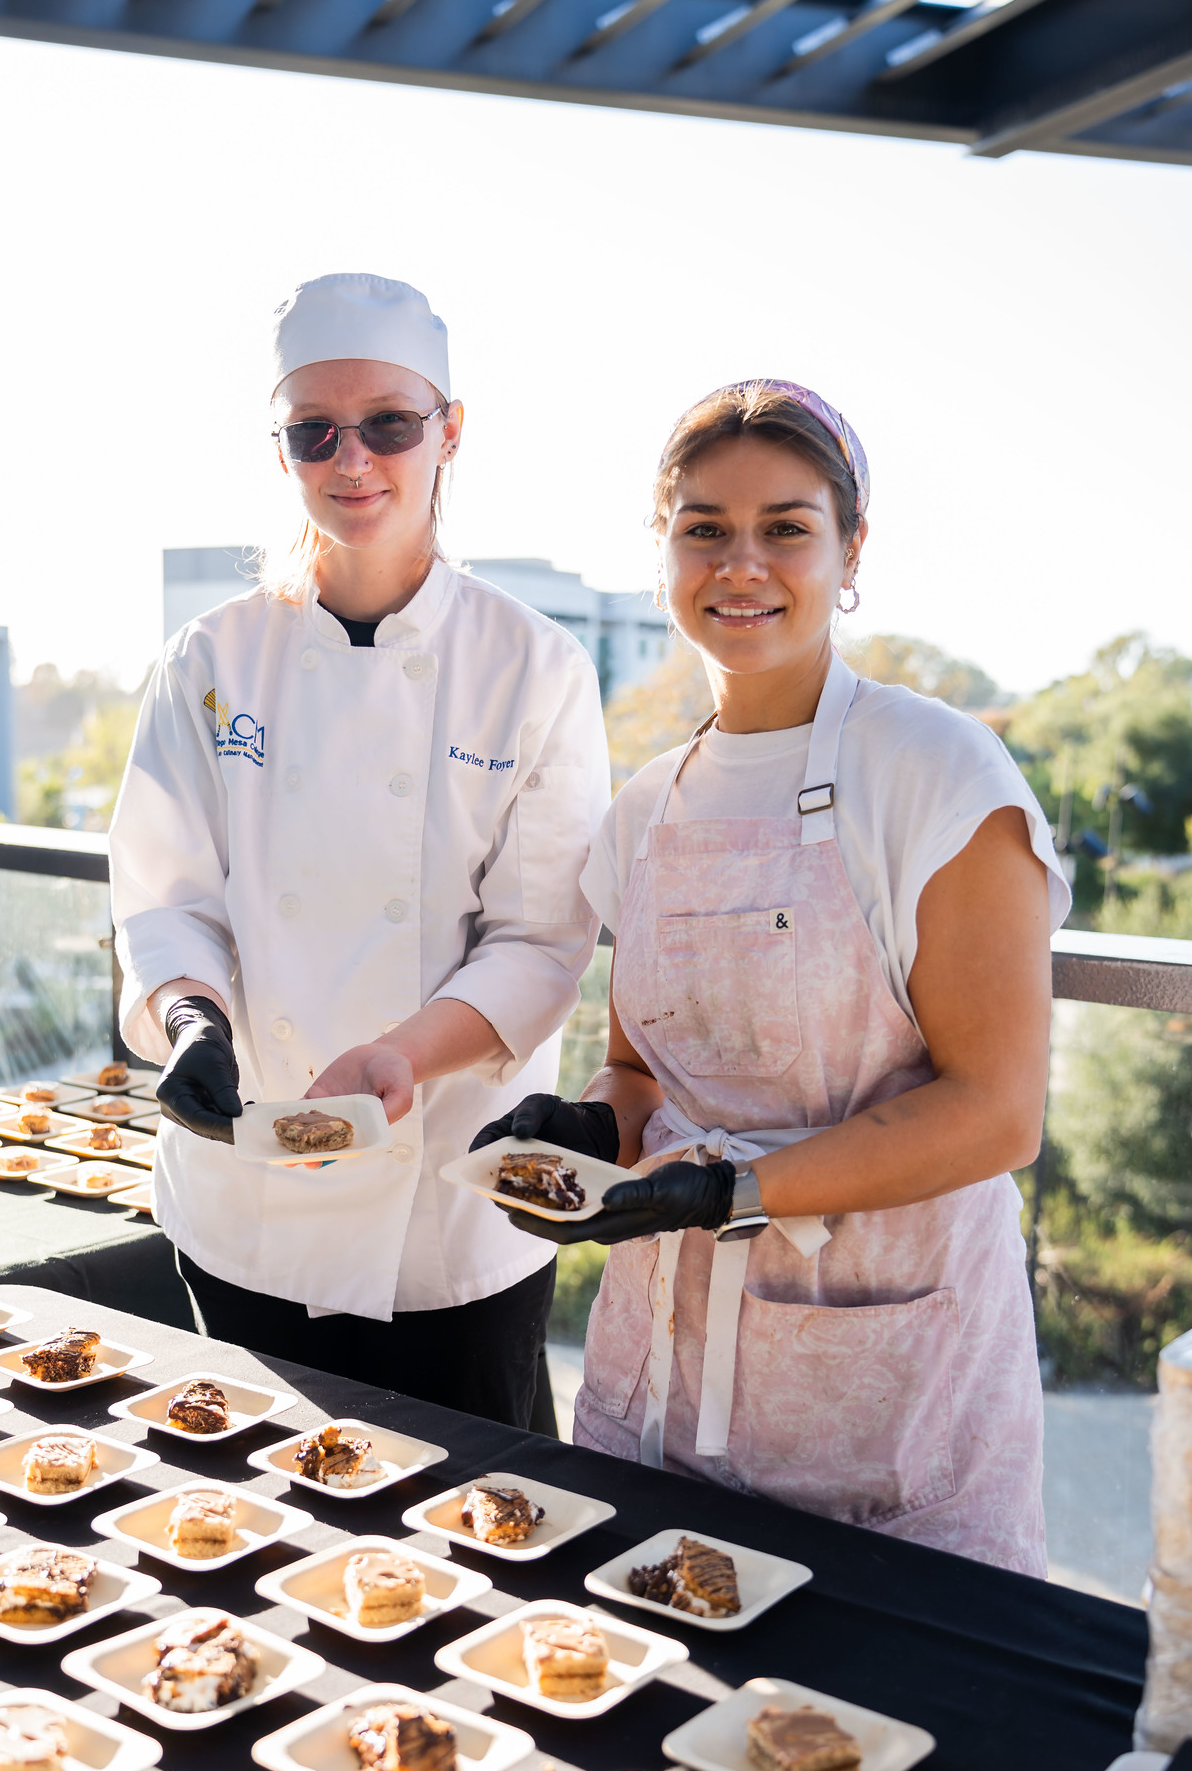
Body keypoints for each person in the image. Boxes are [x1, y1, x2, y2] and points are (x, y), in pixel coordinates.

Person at [474, 379, 1068, 1572]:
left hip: (888, 1404)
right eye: (704, 527)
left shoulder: (938, 774)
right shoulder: (644, 810)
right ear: (665, 556)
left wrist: (734, 1194)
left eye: (785, 527)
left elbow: (998, 1111)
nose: (742, 563)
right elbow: (647, 1065)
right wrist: (594, 1122)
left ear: (850, 550)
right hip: (662, 1387)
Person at [110, 272, 610, 1429]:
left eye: (389, 423)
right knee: (240, 1527)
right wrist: (192, 1019)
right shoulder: (210, 657)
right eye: (313, 432)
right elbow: (164, 892)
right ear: (279, 446)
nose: (353, 461)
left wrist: (400, 1054)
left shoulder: (533, 667)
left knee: (480, 1542)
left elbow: (541, 941)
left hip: (444, 1212)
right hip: (245, 1200)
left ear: (451, 431)